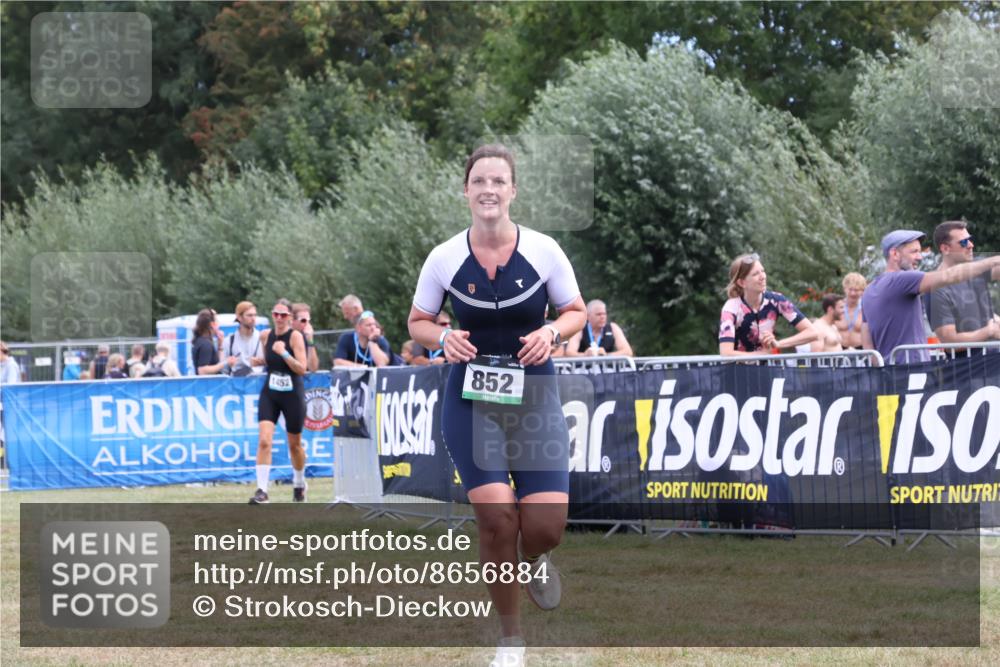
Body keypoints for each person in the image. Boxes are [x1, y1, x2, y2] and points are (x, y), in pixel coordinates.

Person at [407, 144, 587, 667]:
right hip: (471, 400)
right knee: (497, 519)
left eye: (498, 181)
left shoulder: (545, 250)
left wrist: (552, 333)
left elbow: (575, 311)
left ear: (513, 190)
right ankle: (511, 642)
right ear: (465, 190)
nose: (488, 189)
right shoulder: (444, 257)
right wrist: (443, 339)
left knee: (545, 527)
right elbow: (417, 322)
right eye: (479, 181)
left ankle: (536, 558)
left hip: (534, 398)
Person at [862, 229, 1000, 364]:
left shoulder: (869, 290)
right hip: (912, 371)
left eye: (919, 251)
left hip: (889, 373)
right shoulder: (900, 279)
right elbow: (950, 276)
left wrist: (882, 371)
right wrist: (994, 261)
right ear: (894, 254)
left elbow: (867, 343)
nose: (920, 257)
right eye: (914, 252)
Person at [248, 299, 309, 504]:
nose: (279, 318)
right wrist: (259, 361)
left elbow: (302, 368)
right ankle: (262, 491)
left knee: (295, 445)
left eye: (283, 315)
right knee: (264, 440)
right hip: (271, 392)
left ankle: (299, 483)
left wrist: (284, 352)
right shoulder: (266, 335)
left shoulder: (295, 336)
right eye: (276, 314)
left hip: (292, 394)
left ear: (290, 317)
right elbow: (270, 360)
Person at [719, 254, 817, 356]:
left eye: (763, 271)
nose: (763, 276)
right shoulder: (731, 308)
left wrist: (779, 344)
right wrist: (761, 355)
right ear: (742, 283)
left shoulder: (777, 300)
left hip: (768, 365)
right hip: (737, 366)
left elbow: (813, 333)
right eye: (755, 274)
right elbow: (726, 353)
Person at [926, 221, 1000, 352]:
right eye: (964, 242)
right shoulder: (936, 289)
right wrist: (988, 332)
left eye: (970, 240)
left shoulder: (975, 271)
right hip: (970, 363)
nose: (971, 245)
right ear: (945, 249)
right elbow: (949, 343)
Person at [566, 299, 633, 357]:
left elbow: (628, 351)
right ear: (588, 316)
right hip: (584, 367)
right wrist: (585, 355)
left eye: (604, 314)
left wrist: (606, 355)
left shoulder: (613, 328)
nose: (602, 317)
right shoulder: (580, 328)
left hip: (607, 366)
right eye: (598, 314)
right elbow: (569, 352)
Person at [223, 301, 263, 377]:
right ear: (239, 317)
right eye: (249, 315)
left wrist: (261, 362)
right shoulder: (229, 341)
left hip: (257, 380)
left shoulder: (262, 338)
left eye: (255, 315)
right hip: (235, 381)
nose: (253, 318)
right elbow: (224, 370)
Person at [836, 273, 867, 349]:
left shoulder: (866, 308)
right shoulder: (836, 307)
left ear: (862, 291)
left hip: (861, 350)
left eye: (856, 290)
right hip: (839, 350)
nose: (853, 293)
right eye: (850, 289)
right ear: (844, 289)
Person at [191, 308, 226, 375]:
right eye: (217, 320)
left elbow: (216, 364)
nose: (219, 323)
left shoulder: (201, 341)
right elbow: (202, 370)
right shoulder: (205, 344)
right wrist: (226, 363)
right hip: (209, 381)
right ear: (212, 324)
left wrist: (220, 345)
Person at [291, 302, 320, 372]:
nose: (307, 324)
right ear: (292, 321)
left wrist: (310, 340)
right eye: (303, 320)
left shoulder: (306, 337)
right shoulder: (283, 336)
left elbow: (313, 368)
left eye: (308, 320)